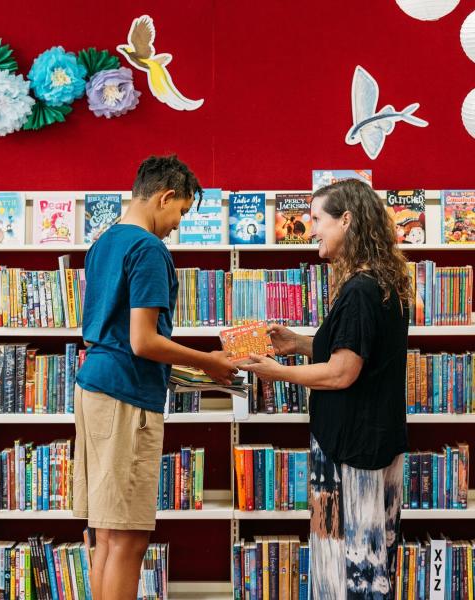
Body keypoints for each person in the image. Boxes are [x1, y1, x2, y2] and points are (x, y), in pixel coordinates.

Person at [74, 155, 237, 600]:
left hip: (94, 386)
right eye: (180, 212)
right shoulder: (148, 249)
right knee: (128, 539)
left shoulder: (103, 241)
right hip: (127, 393)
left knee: (105, 535)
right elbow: (144, 341)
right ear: (164, 197)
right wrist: (210, 362)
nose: (177, 224)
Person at [241, 178, 411, 599]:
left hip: (351, 451)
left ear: (347, 220)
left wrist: (276, 372)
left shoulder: (358, 291)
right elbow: (357, 351)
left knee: (353, 568)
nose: (310, 227)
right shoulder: (383, 282)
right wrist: (298, 343)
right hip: (373, 444)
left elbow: (342, 372)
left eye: (317, 219)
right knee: (372, 556)